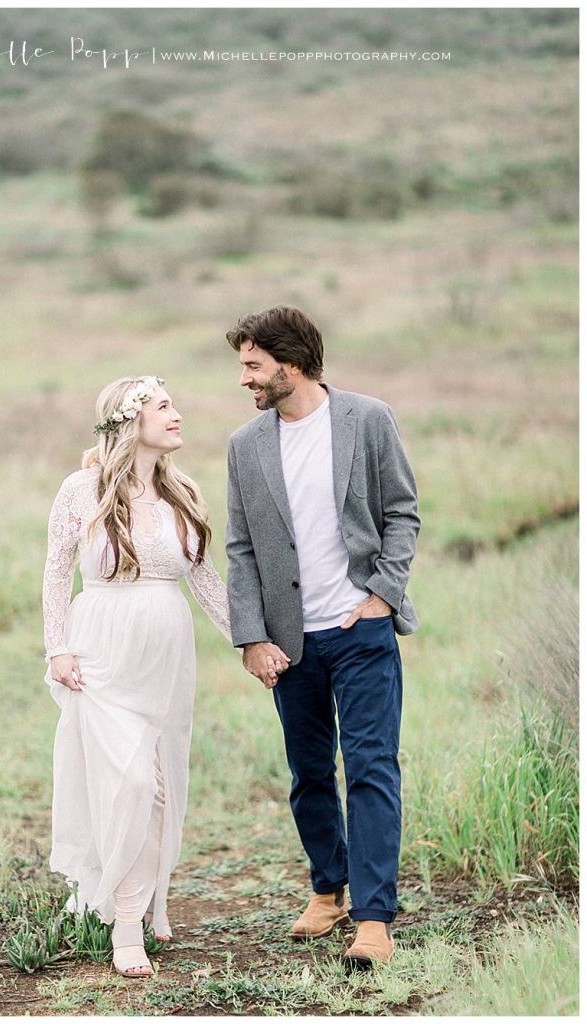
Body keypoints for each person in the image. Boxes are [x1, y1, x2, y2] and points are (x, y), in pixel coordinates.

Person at [224, 306, 420, 971]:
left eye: (252, 364)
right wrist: (251, 637)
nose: (244, 378)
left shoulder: (367, 419)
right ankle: (326, 890)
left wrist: (380, 597)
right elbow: (241, 549)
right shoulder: (244, 446)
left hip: (360, 631)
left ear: (291, 361)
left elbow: (400, 512)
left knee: (369, 769)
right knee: (309, 773)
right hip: (290, 643)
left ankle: (372, 918)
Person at [42, 375, 231, 979]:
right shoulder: (82, 490)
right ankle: (126, 924)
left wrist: (251, 644)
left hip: (166, 662)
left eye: (175, 403)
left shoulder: (183, 492)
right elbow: (55, 575)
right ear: (131, 422)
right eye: (163, 407)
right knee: (124, 783)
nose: (178, 415)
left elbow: (205, 584)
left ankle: (137, 907)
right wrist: (57, 649)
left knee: (156, 785)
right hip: (98, 653)